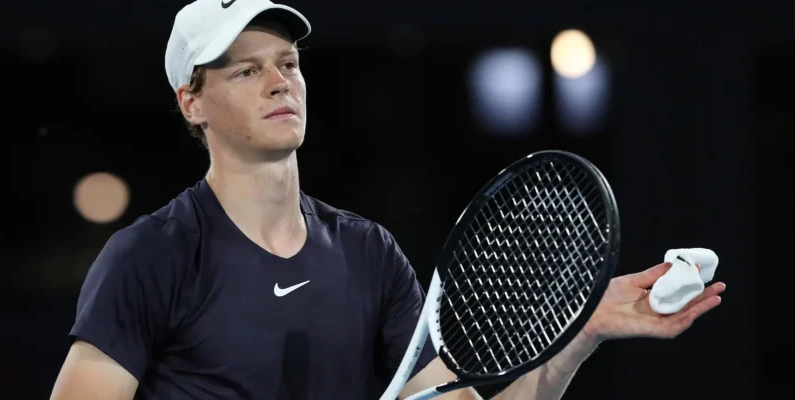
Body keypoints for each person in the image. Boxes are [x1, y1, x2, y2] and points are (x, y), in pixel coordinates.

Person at [49, 1, 727, 399]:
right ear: (192, 102)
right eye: (246, 71)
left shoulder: (368, 253)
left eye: (288, 63)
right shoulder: (149, 257)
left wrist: (583, 330)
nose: (280, 82)